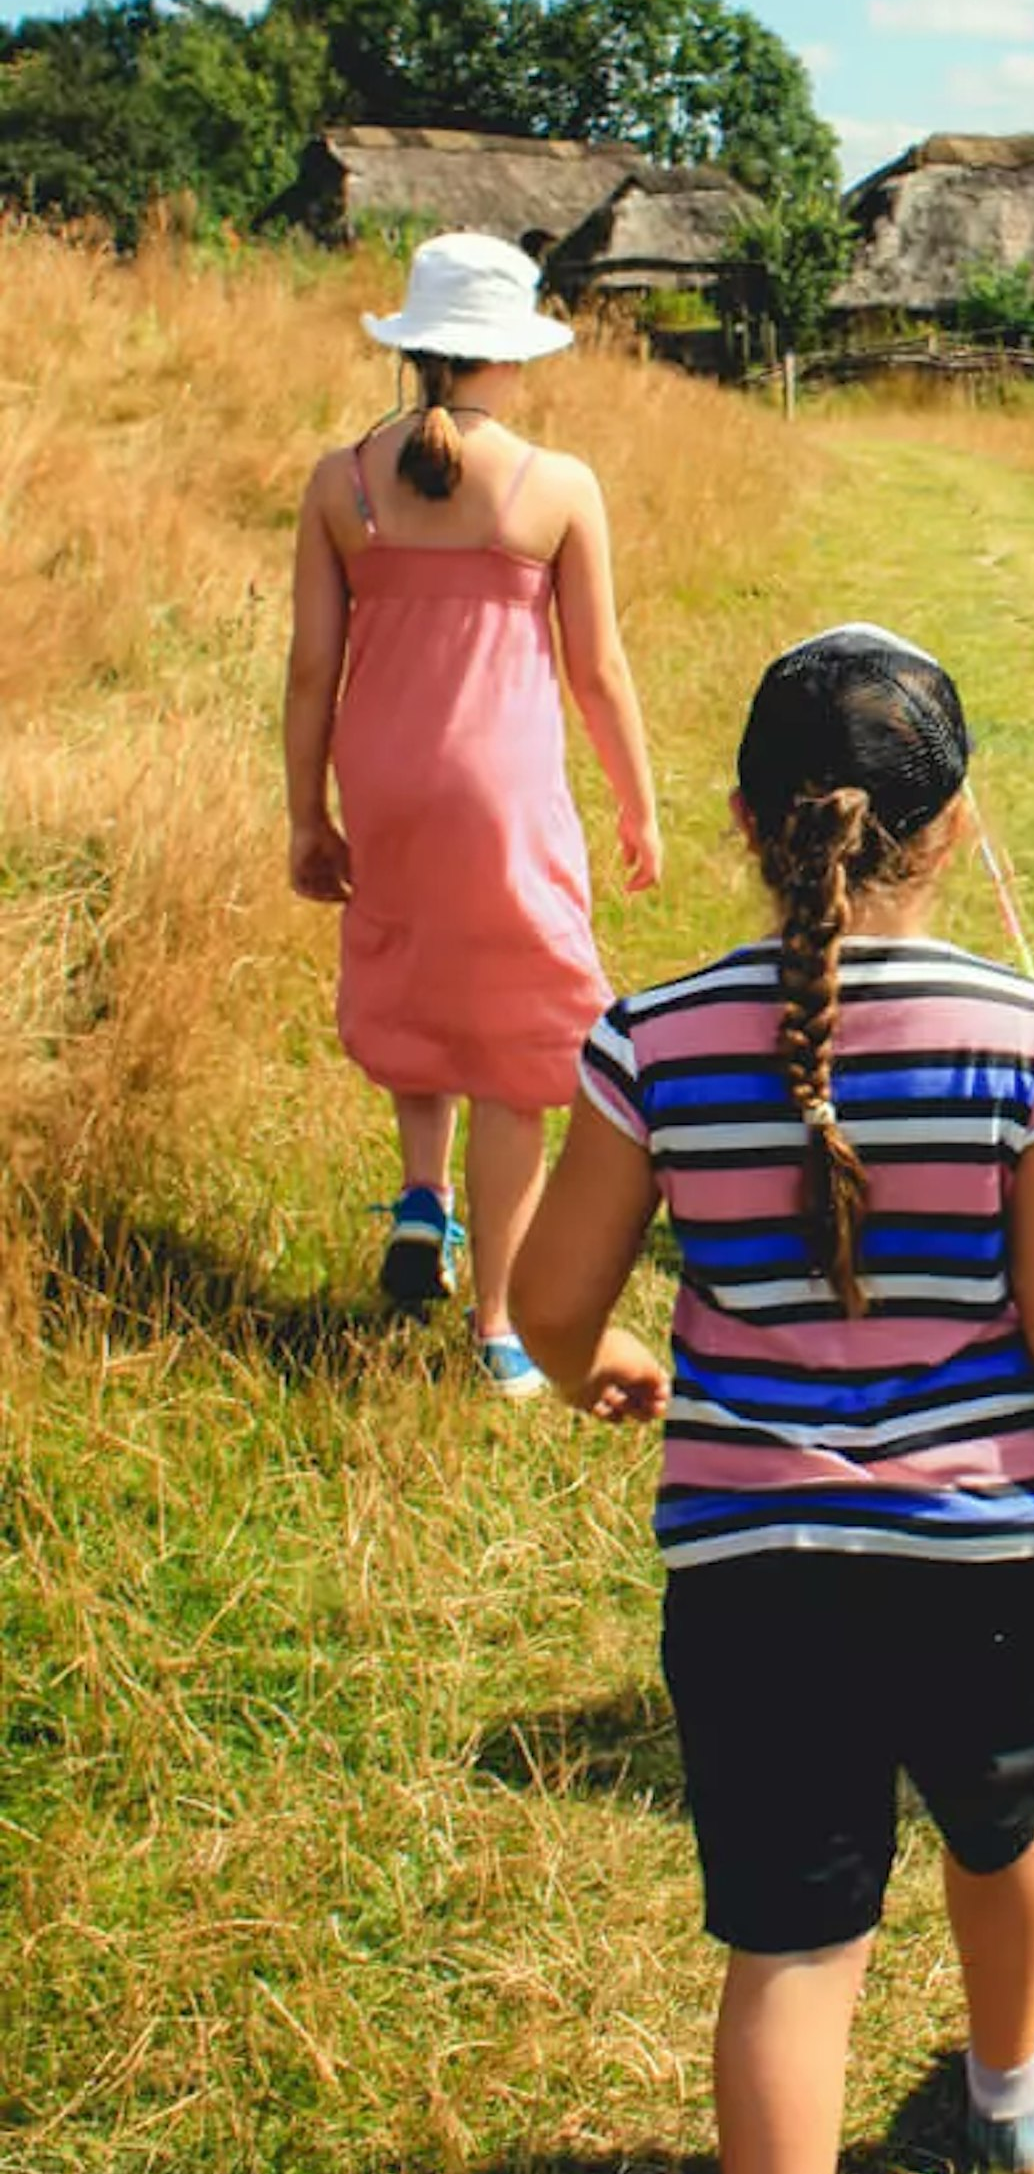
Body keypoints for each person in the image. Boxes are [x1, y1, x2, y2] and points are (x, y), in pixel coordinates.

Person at [511, 625, 1034, 2174]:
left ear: (741, 821)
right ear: (953, 829)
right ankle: (999, 2077)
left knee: (793, 1937)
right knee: (1000, 1809)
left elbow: (551, 1297)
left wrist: (607, 1359)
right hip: (978, 1541)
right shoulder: (1023, 1036)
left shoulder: (652, 1037)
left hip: (751, 1556)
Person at [283, 231, 659, 1393]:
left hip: (383, 780)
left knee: (418, 974)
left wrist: (308, 816)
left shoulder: (342, 481)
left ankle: (419, 1197)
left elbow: (310, 670)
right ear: (512, 355)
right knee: (517, 1051)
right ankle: (499, 1326)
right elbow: (595, 670)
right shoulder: (556, 485)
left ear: (418, 346)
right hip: (501, 789)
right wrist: (639, 805)